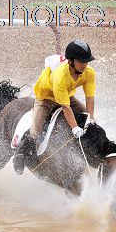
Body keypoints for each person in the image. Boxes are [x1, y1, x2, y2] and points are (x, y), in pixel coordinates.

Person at [13, 39, 96, 174]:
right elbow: (66, 108)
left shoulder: (89, 73)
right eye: (81, 61)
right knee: (35, 132)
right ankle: (19, 154)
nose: (85, 65)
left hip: (66, 96)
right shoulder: (60, 76)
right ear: (71, 61)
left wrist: (91, 119)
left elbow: (90, 98)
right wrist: (75, 128)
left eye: (86, 61)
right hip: (45, 99)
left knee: (88, 117)